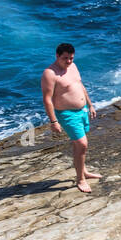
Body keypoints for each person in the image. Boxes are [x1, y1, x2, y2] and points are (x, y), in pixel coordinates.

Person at [40, 42, 100, 193]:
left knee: (78, 145)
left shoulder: (72, 67)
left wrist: (90, 105)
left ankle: (83, 171)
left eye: (71, 58)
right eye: (65, 58)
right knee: (82, 144)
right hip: (67, 114)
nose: (68, 61)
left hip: (82, 110)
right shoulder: (50, 73)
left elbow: (80, 86)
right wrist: (53, 121)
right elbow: (47, 99)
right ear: (57, 56)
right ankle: (80, 179)